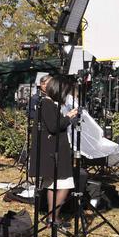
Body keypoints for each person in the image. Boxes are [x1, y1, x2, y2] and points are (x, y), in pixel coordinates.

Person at [31, 75, 80, 224]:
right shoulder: (47, 103)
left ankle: (53, 218)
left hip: (52, 152)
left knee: (53, 185)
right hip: (52, 153)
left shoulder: (49, 103)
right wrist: (69, 117)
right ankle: (53, 217)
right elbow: (53, 126)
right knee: (65, 184)